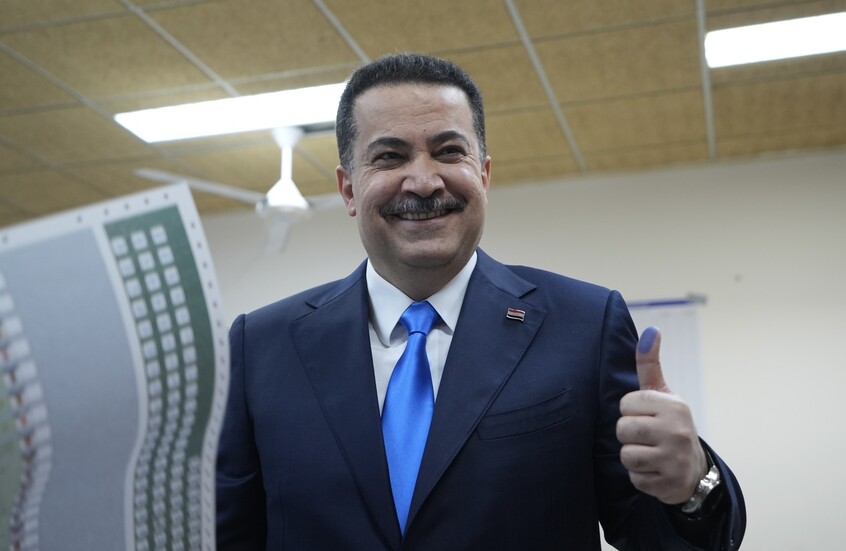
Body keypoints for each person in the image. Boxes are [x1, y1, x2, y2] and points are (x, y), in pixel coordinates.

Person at [216, 52, 745, 550]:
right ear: (349, 189)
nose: (424, 181)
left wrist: (693, 484)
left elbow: (656, 536)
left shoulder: (585, 325)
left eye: (449, 151)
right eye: (390, 156)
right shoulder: (260, 347)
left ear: (484, 175)